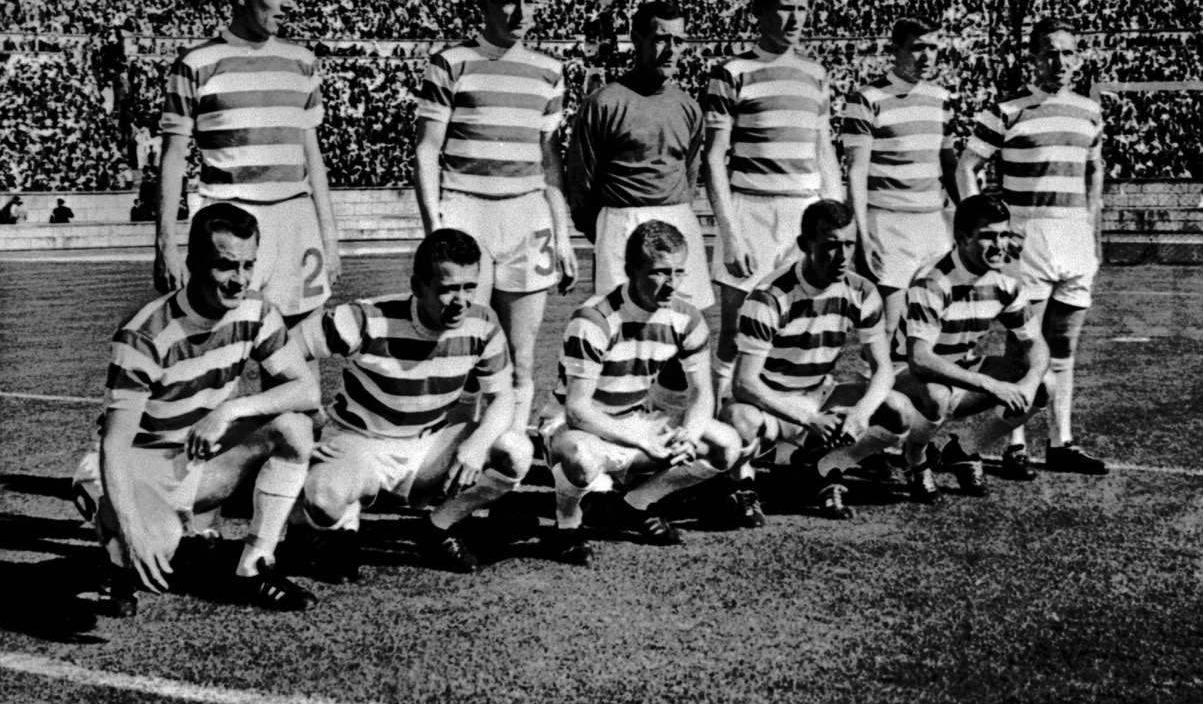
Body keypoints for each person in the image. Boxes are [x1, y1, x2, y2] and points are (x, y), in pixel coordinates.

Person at [89, 202, 320, 616]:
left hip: (196, 462)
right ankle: (116, 545)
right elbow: (114, 446)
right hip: (140, 467)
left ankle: (254, 567)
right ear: (194, 262)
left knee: (295, 427)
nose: (240, 280)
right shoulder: (144, 334)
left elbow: (306, 391)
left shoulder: (258, 311)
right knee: (149, 555)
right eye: (226, 266)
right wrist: (132, 529)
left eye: (248, 265)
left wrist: (230, 411)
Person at [297, 229, 532, 581]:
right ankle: (319, 529)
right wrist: (305, 413)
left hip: (426, 450)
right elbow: (285, 350)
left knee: (514, 450)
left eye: (470, 287)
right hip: (358, 442)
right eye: (448, 289)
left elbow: (502, 399)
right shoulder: (368, 318)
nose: (460, 301)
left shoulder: (482, 324)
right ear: (418, 285)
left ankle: (438, 527)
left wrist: (477, 443)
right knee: (324, 498)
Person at [414, 0, 578, 446]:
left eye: (530, 1)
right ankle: (448, 455)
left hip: (527, 214)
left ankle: (510, 453)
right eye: (509, 0)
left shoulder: (549, 71)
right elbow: (427, 149)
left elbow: (550, 166)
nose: (520, 12)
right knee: (463, 348)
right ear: (485, 3)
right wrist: (435, 231)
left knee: (522, 356)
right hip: (467, 210)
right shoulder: (451, 62)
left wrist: (563, 234)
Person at [154, 0, 340, 327]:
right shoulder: (196, 64)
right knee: (216, 355)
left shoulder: (302, 62)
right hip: (227, 223)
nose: (289, 4)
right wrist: (165, 244)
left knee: (298, 356)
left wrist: (330, 239)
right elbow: (173, 158)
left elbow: (312, 157)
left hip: (294, 219)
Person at [956, 18, 1107, 476]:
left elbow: (1094, 171)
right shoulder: (1007, 111)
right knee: (1024, 343)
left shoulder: (1089, 111)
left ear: (1078, 58)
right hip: (1027, 236)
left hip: (1075, 237)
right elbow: (967, 166)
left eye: (1066, 53)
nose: (1058, 62)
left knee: (1064, 344)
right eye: (1048, 53)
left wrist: (1094, 233)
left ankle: (1061, 441)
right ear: (1033, 58)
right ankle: (1014, 444)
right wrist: (981, 227)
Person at [545, 221, 741, 565]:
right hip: (574, 428)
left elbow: (702, 395)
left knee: (725, 444)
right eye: (660, 272)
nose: (672, 283)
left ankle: (633, 504)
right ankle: (567, 528)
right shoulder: (594, 320)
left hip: (633, 421)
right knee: (578, 456)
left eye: (679, 271)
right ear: (630, 271)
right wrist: (643, 443)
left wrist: (689, 435)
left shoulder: (687, 319)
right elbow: (577, 410)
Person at [721, 200, 912, 520]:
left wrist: (861, 415)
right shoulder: (770, 295)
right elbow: (744, 382)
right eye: (831, 245)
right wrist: (808, 420)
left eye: (850, 245)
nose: (843, 256)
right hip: (770, 403)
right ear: (805, 244)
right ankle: (744, 484)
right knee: (740, 420)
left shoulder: (862, 291)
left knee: (898, 410)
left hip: (818, 395)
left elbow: (883, 369)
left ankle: (826, 469)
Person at [704, 0, 842, 402]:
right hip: (753, 209)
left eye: (802, 8)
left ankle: (789, 430)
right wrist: (730, 234)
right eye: (784, 8)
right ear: (760, 12)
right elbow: (713, 158)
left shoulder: (816, 74)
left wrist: (837, 222)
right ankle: (724, 430)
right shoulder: (731, 72)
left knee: (803, 323)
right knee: (736, 328)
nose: (795, 18)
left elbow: (825, 154)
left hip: (807, 211)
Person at [892, 194, 1051, 501]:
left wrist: (1029, 383)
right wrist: (990, 384)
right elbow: (920, 360)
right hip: (904, 379)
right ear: (963, 237)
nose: (1000, 245)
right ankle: (914, 459)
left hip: (958, 370)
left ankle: (963, 449)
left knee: (1045, 384)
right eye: (989, 236)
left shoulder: (1005, 284)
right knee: (935, 395)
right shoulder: (933, 282)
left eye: (1004, 235)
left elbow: (1035, 342)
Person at [567, 0, 712, 309]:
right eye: (660, 39)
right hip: (621, 220)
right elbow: (581, 183)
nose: (671, 49)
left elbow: (689, 174)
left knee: (682, 324)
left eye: (679, 40)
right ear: (636, 40)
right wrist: (606, 231)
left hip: (676, 219)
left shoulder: (688, 107)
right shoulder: (602, 103)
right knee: (621, 326)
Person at [843, 18, 958, 341]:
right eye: (917, 48)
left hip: (934, 225)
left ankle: (924, 391)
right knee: (888, 327)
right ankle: (878, 389)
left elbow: (949, 168)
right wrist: (861, 236)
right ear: (895, 51)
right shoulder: (866, 98)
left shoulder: (941, 99)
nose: (926, 57)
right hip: (888, 224)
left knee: (934, 324)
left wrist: (965, 217)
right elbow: (856, 172)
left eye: (933, 48)